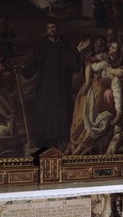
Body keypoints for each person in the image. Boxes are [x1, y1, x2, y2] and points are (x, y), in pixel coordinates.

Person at [21, 21, 81, 150]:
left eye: (54, 27)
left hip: (61, 84)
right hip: (45, 84)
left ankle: (60, 139)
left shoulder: (65, 45)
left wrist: (77, 52)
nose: (52, 30)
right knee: (43, 109)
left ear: (58, 29)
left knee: (61, 110)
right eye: (49, 28)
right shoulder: (42, 45)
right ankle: (42, 139)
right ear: (46, 30)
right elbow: (34, 62)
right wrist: (23, 69)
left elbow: (74, 64)